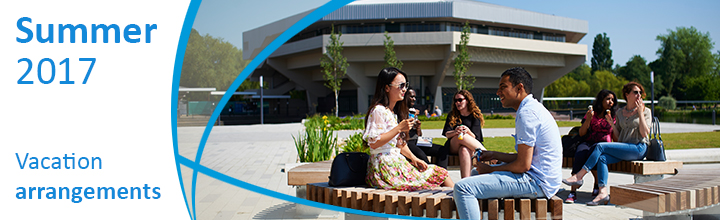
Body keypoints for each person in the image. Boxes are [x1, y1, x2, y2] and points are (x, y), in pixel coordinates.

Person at [453, 67, 562, 220]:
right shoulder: (530, 108)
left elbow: (523, 165)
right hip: (541, 178)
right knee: (475, 174)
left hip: (537, 182)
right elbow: (526, 158)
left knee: (462, 188)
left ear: (519, 88)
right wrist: (495, 155)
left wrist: (491, 170)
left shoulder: (527, 114)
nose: (498, 92)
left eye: (503, 87)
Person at [363, 67, 454, 191]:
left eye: (406, 85)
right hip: (385, 168)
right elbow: (373, 143)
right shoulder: (378, 111)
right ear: (387, 88)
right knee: (440, 174)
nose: (404, 89)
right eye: (401, 85)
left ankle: (456, 204)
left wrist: (414, 159)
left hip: (393, 164)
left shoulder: (390, 113)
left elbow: (399, 144)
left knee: (439, 173)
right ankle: (458, 205)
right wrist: (399, 128)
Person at [563, 82, 651, 206]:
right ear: (627, 95)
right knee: (602, 158)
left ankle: (579, 176)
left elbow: (644, 133)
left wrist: (640, 113)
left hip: (638, 148)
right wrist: (612, 124)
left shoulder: (646, 111)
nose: (639, 95)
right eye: (635, 92)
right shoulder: (620, 113)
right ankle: (602, 192)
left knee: (599, 146)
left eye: (640, 93)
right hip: (625, 147)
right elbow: (619, 139)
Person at [564, 89, 618, 204]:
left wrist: (612, 124)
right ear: (601, 100)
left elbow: (617, 139)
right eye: (608, 99)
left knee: (595, 153)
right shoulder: (592, 113)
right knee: (580, 152)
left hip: (603, 145)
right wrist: (588, 119)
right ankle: (573, 192)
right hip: (588, 142)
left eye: (612, 100)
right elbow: (582, 133)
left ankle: (596, 186)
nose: (610, 102)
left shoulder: (613, 116)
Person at [442, 90, 486, 178]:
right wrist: (455, 131)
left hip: (469, 147)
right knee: (460, 136)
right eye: (455, 101)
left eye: (460, 100)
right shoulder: (452, 115)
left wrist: (468, 130)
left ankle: (465, 182)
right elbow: (447, 134)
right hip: (453, 145)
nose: (457, 103)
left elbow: (475, 137)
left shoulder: (474, 116)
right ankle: (487, 154)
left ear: (467, 101)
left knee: (464, 150)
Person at [405, 88, 450, 169]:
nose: (414, 99)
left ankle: (442, 176)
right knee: (424, 159)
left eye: (415, 97)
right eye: (411, 97)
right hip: (407, 142)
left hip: (417, 140)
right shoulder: (400, 111)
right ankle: (431, 177)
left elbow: (419, 134)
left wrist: (418, 128)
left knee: (442, 150)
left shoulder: (413, 111)